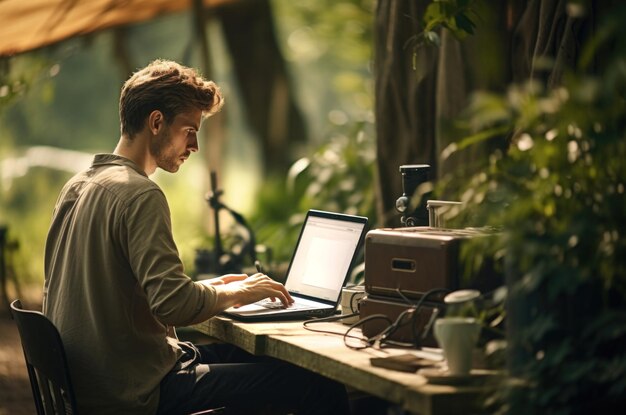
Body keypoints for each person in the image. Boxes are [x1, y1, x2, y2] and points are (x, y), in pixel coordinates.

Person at [43, 59, 351, 415]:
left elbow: (123, 285)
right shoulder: (140, 195)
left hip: (94, 382)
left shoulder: (78, 186)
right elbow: (172, 305)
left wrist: (222, 287)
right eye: (190, 130)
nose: (195, 146)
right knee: (315, 381)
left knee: (254, 356)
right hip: (134, 391)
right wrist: (239, 292)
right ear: (156, 122)